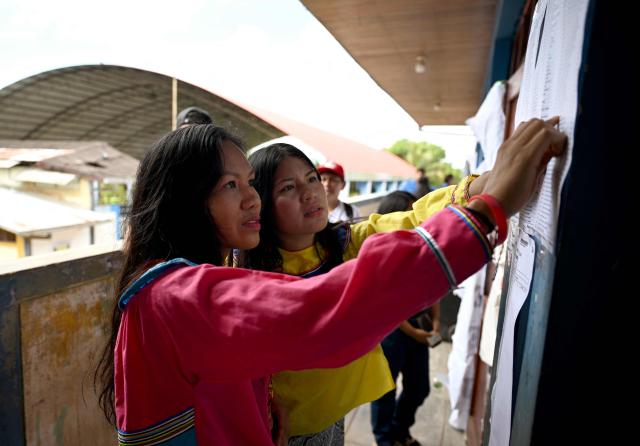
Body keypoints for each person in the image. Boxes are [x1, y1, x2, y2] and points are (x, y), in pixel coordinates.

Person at [95, 118, 565, 445]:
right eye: (230, 186)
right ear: (185, 201)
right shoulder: (176, 295)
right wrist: (487, 212)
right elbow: (320, 311)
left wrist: (261, 400)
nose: (251, 200)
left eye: (249, 183)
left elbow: (399, 225)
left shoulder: (186, 283)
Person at [370, 190, 439, 446]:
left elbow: (435, 287)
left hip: (419, 331)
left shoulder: (423, 246)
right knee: (385, 391)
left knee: (419, 388)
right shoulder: (380, 254)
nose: (418, 219)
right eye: (410, 213)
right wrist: (414, 332)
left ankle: (400, 431)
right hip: (392, 333)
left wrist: (436, 322)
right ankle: (386, 440)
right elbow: (385, 305)